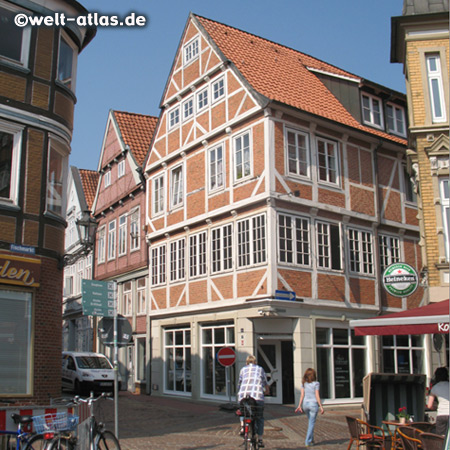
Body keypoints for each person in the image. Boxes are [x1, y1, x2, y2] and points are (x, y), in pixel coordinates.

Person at [237, 355, 270, 448]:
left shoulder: (243, 370)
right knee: (259, 417)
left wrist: (239, 391)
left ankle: (243, 426)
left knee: (242, 412)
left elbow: (239, 383)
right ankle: (260, 439)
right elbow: (265, 383)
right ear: (255, 362)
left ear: (246, 362)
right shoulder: (260, 369)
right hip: (257, 397)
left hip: (243, 396)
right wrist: (267, 391)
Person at [295, 368, 324, 447]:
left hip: (305, 404)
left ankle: (311, 440)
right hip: (313, 405)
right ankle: (307, 441)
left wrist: (299, 405)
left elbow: (302, 395)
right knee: (311, 423)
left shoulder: (304, 383)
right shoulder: (316, 384)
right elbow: (317, 395)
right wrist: (321, 406)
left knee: (310, 422)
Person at [426, 367, 449, 436]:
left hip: (441, 414)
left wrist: (435, 408)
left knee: (441, 437)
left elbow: (429, 406)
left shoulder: (435, 388)